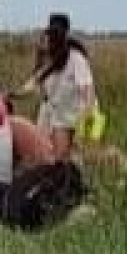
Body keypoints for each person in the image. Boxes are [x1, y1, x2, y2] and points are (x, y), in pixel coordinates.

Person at [15, 13, 98, 162]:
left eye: (47, 40)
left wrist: (85, 124)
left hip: (85, 111)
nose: (43, 44)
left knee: (85, 155)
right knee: (58, 157)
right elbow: (31, 85)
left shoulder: (76, 59)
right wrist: (11, 94)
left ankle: (112, 162)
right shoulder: (46, 59)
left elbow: (88, 93)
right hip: (60, 113)